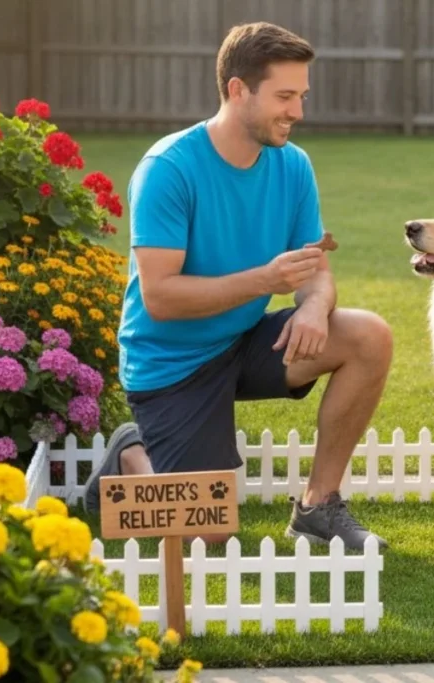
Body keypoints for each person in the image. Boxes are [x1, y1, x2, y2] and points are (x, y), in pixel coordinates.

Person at [83, 22, 393, 551]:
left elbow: (314, 269)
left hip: (245, 341)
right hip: (172, 365)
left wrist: (316, 309)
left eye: (301, 96)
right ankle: (133, 455)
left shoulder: (293, 165)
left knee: (368, 335)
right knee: (210, 534)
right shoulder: (168, 169)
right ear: (237, 90)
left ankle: (318, 506)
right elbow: (160, 297)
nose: (298, 111)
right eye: (285, 96)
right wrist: (266, 280)